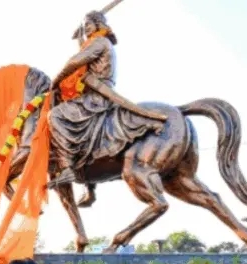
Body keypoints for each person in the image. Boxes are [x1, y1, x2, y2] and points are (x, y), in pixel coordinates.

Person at [47, 10, 165, 189]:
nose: (86, 27)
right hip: (96, 94)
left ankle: (67, 167)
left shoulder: (100, 42)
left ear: (98, 24)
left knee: (55, 116)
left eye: (88, 23)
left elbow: (75, 62)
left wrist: (56, 80)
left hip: (97, 97)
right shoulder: (99, 42)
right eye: (84, 24)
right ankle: (89, 186)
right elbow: (85, 55)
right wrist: (80, 39)